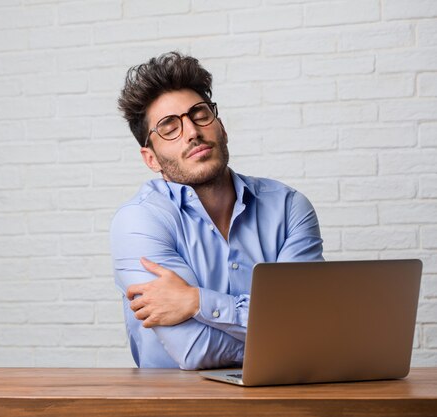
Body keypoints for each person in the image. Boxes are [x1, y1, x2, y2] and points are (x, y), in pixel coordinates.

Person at [110, 52, 324, 370]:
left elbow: (308, 324)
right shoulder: (139, 222)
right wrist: (282, 341)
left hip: (280, 398)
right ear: (151, 158)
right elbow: (194, 350)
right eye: (169, 127)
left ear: (221, 127)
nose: (192, 131)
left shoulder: (289, 207)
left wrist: (196, 301)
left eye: (199, 114)